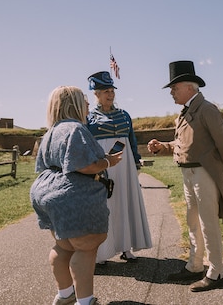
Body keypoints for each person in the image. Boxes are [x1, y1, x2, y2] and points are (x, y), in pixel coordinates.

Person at [147, 60, 223, 292]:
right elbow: (183, 143)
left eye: (174, 88)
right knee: (193, 223)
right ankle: (195, 266)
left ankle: (217, 272)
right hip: (189, 174)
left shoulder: (206, 109)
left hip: (204, 173)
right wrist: (162, 147)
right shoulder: (186, 112)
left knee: (208, 225)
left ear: (189, 87)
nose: (171, 92)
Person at [30, 86, 122, 305]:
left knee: (63, 247)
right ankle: (85, 301)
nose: (89, 105)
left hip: (47, 193)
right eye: (84, 101)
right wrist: (108, 161)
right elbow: (86, 165)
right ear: (74, 104)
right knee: (85, 248)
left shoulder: (51, 132)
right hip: (74, 196)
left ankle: (65, 295)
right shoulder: (75, 129)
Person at [86, 71, 152, 264]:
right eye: (106, 91)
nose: (111, 94)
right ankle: (102, 253)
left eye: (112, 90)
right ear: (96, 93)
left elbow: (131, 140)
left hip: (125, 168)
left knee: (125, 203)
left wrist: (136, 161)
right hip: (102, 166)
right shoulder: (89, 119)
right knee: (105, 206)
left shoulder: (124, 116)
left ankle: (126, 247)